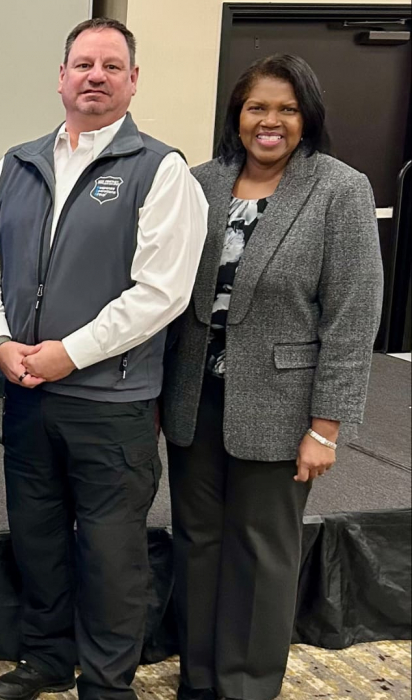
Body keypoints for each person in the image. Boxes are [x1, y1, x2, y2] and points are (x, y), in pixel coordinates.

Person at [0, 18, 208, 700]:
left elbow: (161, 293)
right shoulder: (17, 164)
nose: (95, 76)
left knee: (111, 554)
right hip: (27, 396)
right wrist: (0, 342)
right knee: (38, 540)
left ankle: (106, 683)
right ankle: (46, 660)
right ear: (61, 77)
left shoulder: (160, 170)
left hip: (113, 405)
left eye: (111, 65)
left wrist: (69, 355)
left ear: (133, 80)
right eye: (83, 64)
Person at [162, 54, 383, 700]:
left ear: (307, 117)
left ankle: (246, 685)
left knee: (261, 553)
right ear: (237, 113)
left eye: (287, 109)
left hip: (282, 407)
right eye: (257, 106)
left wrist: (326, 428)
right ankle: (199, 680)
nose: (271, 121)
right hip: (194, 398)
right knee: (197, 543)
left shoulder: (339, 190)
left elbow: (352, 317)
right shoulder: (201, 183)